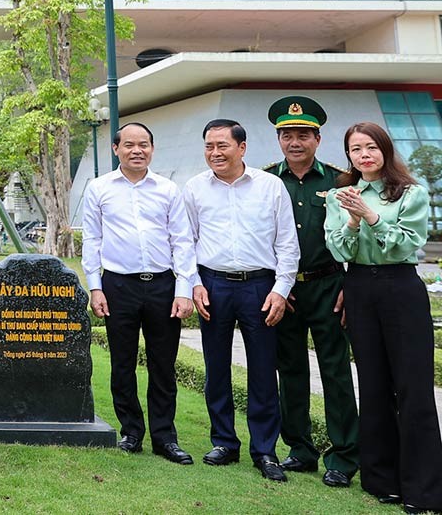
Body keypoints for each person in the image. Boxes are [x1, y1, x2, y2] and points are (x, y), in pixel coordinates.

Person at [324, 122, 442, 512]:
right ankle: (381, 480)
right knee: (372, 385)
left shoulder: (411, 193)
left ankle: (424, 489)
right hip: (359, 288)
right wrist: (354, 219)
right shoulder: (341, 195)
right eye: (355, 150)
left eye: (371, 147)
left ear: (385, 150)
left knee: (413, 387)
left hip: (400, 287)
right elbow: (339, 249)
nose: (364, 155)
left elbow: (408, 244)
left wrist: (371, 217)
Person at [183, 119, 298, 482]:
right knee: (215, 368)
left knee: (263, 370)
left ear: (242, 147)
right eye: (209, 146)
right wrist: (193, 285)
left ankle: (265, 450)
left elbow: (287, 246)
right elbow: (186, 242)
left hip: (259, 287)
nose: (215, 153)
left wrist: (281, 289)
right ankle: (224, 442)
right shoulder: (195, 188)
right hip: (213, 285)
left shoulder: (271, 187)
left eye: (222, 145)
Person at [82, 122, 197, 466]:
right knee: (123, 364)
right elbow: (92, 239)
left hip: (162, 285)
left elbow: (182, 240)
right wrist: (95, 286)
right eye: (129, 144)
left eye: (144, 144)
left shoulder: (167, 189)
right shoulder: (99, 188)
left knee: (163, 365)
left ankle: (165, 437)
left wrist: (184, 289)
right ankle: (131, 431)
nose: (137, 150)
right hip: (118, 285)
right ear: (116, 149)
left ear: (152, 148)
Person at [262, 96, 358, 488]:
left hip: (329, 286)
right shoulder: (267, 181)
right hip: (286, 290)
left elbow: (359, 235)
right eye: (287, 135)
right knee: (291, 371)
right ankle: (300, 450)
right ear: (279, 139)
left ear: (318, 139)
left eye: (303, 135)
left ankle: (344, 456)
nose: (294, 142)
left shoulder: (340, 180)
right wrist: (278, 286)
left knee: (335, 372)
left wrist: (351, 285)